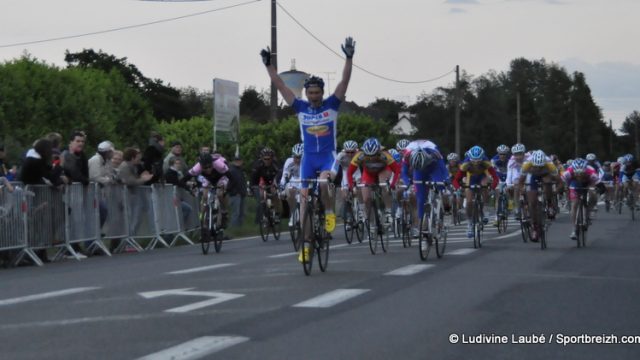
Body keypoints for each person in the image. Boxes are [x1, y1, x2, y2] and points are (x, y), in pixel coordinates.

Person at [261, 36, 355, 262]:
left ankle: (330, 211)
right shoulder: (300, 107)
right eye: (310, 93)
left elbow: (344, 82)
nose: (313, 96)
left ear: (322, 92)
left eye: (317, 93)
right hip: (308, 160)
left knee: (324, 181)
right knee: (304, 204)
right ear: (307, 94)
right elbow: (281, 85)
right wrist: (268, 65)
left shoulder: (332, 105)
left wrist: (349, 58)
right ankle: (305, 245)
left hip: (327, 159)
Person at [347, 138, 400, 232]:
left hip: (383, 170)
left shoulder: (385, 155)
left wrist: (392, 184)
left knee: (383, 183)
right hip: (368, 173)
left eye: (374, 155)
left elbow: (396, 170)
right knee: (366, 199)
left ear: (378, 151)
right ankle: (372, 224)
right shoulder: (359, 155)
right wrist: (351, 186)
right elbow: (349, 172)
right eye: (368, 156)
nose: (371, 158)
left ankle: (388, 212)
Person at [400, 139, 449, 238]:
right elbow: (404, 172)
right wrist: (407, 182)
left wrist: (446, 180)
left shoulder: (434, 152)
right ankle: (422, 226)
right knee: (420, 199)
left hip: (433, 167)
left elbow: (443, 168)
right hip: (418, 171)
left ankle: (441, 212)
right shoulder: (407, 154)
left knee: (439, 186)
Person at [452, 146, 499, 238]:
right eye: (473, 161)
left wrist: (492, 188)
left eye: (478, 161)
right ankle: (469, 224)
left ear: (482, 158)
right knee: (469, 201)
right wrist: (458, 188)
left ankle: (485, 208)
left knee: (485, 186)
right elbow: (456, 180)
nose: (476, 163)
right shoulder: (465, 164)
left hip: (482, 176)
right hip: (471, 177)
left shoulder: (486, 163)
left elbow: (495, 178)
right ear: (470, 159)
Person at [518, 150, 562, 242]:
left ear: (544, 163)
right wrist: (522, 190)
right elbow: (521, 181)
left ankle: (549, 204)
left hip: (546, 174)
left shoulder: (549, 164)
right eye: (536, 166)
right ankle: (535, 228)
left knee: (548, 182)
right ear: (532, 163)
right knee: (532, 203)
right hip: (532, 176)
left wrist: (556, 191)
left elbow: (559, 181)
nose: (538, 168)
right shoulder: (527, 164)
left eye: (540, 166)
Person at [181, 153, 231, 228]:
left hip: (221, 176)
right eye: (205, 167)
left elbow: (231, 177)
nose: (208, 169)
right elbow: (183, 180)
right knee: (205, 196)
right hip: (208, 178)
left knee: (220, 193)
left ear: (212, 163)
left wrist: (227, 189)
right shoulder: (197, 167)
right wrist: (190, 189)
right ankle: (202, 218)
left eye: (209, 166)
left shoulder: (219, 164)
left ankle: (224, 212)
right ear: (201, 166)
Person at [562, 158, 598, 240]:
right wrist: (565, 188)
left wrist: (597, 188)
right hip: (574, 183)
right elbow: (563, 181)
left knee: (593, 194)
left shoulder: (590, 171)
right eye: (577, 173)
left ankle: (590, 210)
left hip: (588, 182)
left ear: (585, 170)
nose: (579, 175)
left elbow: (596, 182)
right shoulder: (569, 171)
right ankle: (574, 229)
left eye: (581, 173)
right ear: (573, 171)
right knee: (574, 204)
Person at [251, 147, 282, 225]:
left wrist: (276, 184)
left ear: (272, 158)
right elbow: (254, 178)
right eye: (265, 159)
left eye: (269, 159)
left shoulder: (275, 164)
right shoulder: (257, 165)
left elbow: (280, 175)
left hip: (273, 180)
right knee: (261, 195)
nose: (267, 161)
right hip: (261, 181)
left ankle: (277, 214)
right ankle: (264, 215)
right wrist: (253, 187)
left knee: (274, 193)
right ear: (261, 158)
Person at [164, 157, 193, 225]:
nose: (179, 165)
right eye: (177, 163)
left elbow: (179, 182)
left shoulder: (175, 172)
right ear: (172, 164)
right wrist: (187, 187)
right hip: (171, 198)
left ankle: (178, 227)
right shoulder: (170, 173)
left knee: (184, 210)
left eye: (179, 163)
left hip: (175, 197)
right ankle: (177, 226)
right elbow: (177, 183)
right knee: (187, 209)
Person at [280, 144, 303, 229]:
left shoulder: (306, 162)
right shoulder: (289, 161)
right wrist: (282, 187)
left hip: (304, 182)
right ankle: (293, 213)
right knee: (289, 190)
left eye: (299, 157)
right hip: (294, 181)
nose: (297, 159)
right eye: (295, 157)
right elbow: (284, 176)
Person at [491, 144, 510, 225]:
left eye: (504, 154)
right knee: (498, 196)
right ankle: (496, 217)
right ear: (498, 154)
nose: (502, 156)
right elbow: (492, 172)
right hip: (498, 176)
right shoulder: (494, 160)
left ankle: (509, 205)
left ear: (507, 154)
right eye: (501, 154)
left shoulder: (510, 159)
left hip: (508, 176)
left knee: (509, 190)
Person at [506, 143, 526, 219]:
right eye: (516, 154)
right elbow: (509, 174)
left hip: (527, 176)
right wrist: (508, 184)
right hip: (517, 177)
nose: (518, 157)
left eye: (520, 154)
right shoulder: (511, 161)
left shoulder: (529, 158)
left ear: (524, 153)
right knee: (516, 188)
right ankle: (517, 209)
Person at [227, 156, 248, 227]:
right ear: (233, 162)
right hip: (235, 194)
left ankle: (239, 228)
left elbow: (242, 182)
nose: (238, 162)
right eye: (236, 161)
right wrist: (233, 192)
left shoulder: (240, 170)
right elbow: (230, 184)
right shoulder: (232, 170)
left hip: (242, 194)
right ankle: (233, 228)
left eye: (239, 160)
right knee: (236, 213)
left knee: (241, 213)